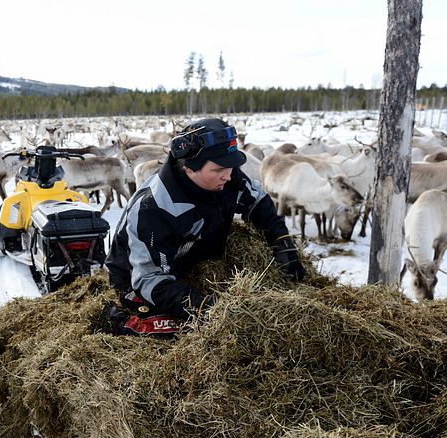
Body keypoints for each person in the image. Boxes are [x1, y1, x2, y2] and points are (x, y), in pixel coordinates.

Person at [106, 117, 304, 327]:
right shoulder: (154, 208)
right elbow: (149, 279)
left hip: (194, 255)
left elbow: (258, 201)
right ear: (189, 168)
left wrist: (282, 242)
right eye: (219, 170)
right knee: (178, 328)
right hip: (138, 274)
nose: (228, 176)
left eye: (231, 166)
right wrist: (205, 307)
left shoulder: (226, 175)